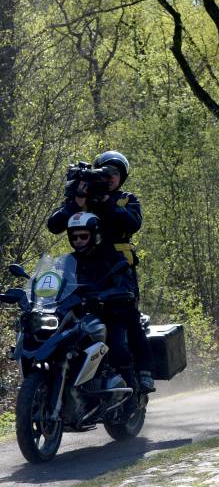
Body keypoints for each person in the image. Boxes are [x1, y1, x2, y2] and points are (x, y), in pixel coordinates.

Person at [47, 151, 155, 393]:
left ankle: (144, 372)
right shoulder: (85, 199)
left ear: (122, 177)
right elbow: (54, 225)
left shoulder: (126, 199)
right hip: (82, 270)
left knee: (127, 318)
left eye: (115, 173)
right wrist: (77, 200)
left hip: (118, 270)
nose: (110, 177)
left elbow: (131, 224)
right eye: (106, 172)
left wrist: (105, 199)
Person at [66, 212, 137, 392]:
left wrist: (105, 294)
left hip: (109, 313)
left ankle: (131, 391)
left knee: (117, 347)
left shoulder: (112, 256)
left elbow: (126, 285)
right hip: (78, 315)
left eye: (83, 236)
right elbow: (55, 283)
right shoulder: (68, 261)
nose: (78, 241)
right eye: (74, 237)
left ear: (95, 235)